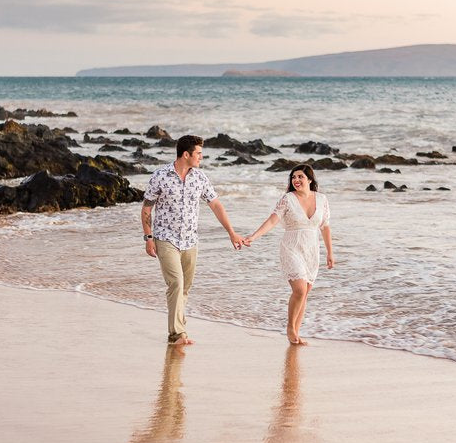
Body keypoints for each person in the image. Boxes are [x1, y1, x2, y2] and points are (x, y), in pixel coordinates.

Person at [142, 135, 245, 345]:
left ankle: (179, 326)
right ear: (186, 154)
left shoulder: (200, 178)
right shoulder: (160, 176)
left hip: (190, 240)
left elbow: (216, 205)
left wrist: (231, 232)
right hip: (165, 238)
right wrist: (148, 238)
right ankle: (177, 334)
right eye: (198, 153)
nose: (201, 157)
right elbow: (146, 209)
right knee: (176, 283)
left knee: (185, 287)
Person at [244, 164, 334, 345]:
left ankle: (296, 334)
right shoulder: (288, 199)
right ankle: (290, 328)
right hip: (291, 248)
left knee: (305, 293)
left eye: (300, 177)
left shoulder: (322, 199)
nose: (296, 180)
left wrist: (330, 253)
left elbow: (325, 227)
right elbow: (272, 221)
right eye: (293, 177)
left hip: (311, 250)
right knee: (299, 290)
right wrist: (253, 236)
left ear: (310, 179)